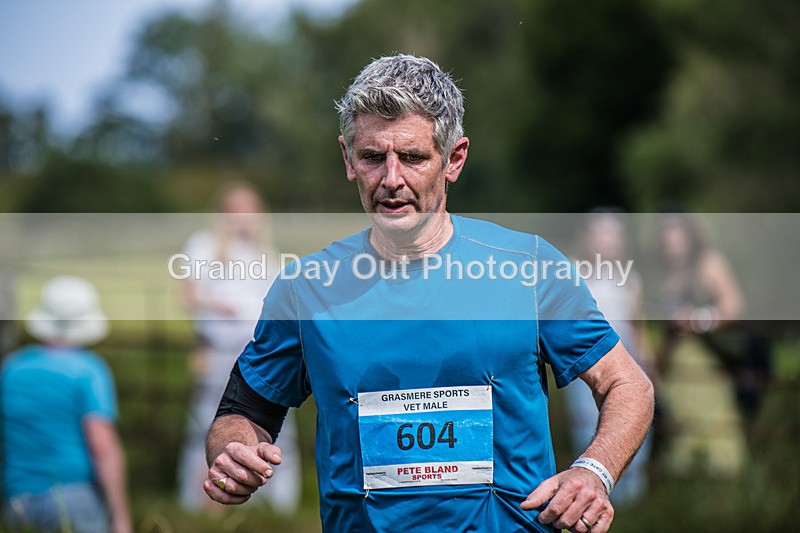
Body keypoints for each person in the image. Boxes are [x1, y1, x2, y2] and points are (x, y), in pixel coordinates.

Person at [203, 55, 654, 533]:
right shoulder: (307, 288)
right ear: (348, 159)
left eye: (413, 157)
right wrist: (233, 453)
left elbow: (628, 386)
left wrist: (594, 471)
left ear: (454, 159)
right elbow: (242, 413)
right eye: (373, 157)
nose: (391, 179)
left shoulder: (529, 268)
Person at [176, 182, 301, 513]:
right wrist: (221, 305)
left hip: (260, 355)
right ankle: (205, 502)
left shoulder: (267, 254)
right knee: (209, 424)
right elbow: (187, 295)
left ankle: (273, 505)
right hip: (217, 352)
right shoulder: (203, 246)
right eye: (235, 209)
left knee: (272, 425)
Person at [1, 276, 132, 533]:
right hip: (74, 500)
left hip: (16, 502)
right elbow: (102, 444)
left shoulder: (11, 368)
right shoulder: (89, 370)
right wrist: (120, 515)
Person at [653, 212, 770, 476]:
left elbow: (735, 308)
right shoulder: (668, 274)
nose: (672, 242)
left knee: (715, 425)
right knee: (680, 427)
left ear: (690, 235)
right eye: (666, 236)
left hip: (710, 359)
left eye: (677, 234)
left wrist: (697, 320)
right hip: (677, 365)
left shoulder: (709, 262)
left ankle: (724, 481)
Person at [563, 210, 656, 507]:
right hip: (586, 359)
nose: (607, 240)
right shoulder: (574, 273)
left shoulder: (630, 279)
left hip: (625, 354)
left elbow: (635, 324)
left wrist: (648, 363)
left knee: (629, 414)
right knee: (589, 420)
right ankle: (589, 486)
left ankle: (632, 493)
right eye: (601, 232)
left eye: (614, 234)